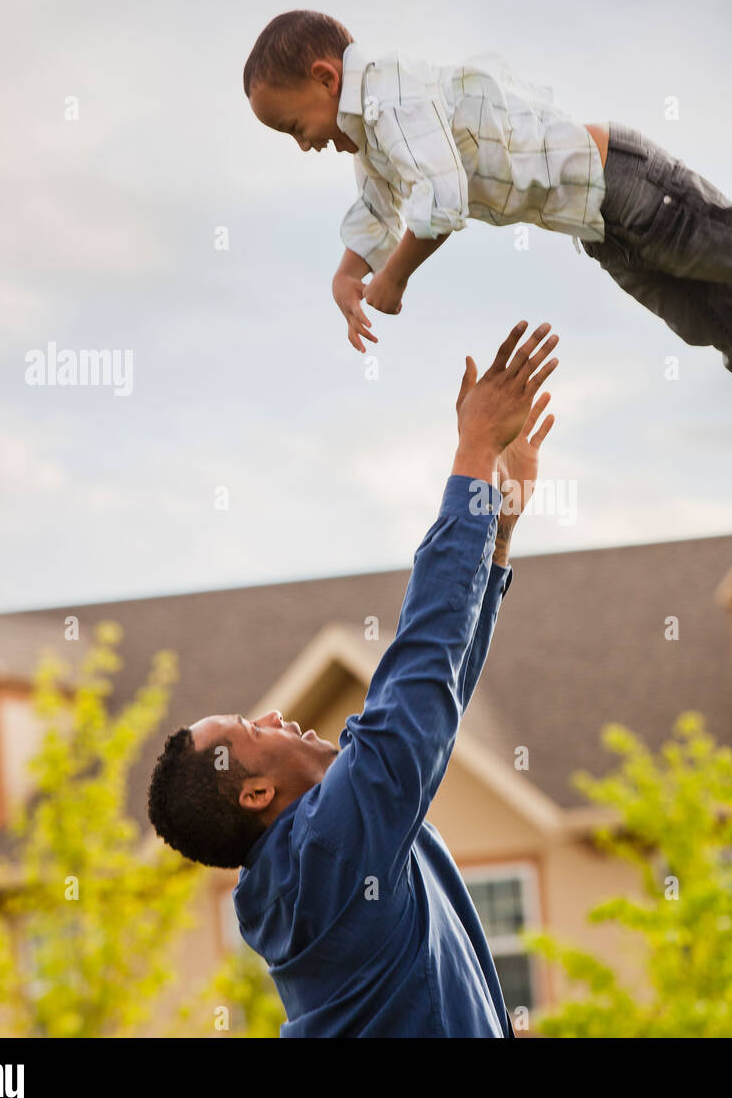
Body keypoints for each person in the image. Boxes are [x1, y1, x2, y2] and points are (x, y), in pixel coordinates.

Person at [242, 9, 732, 506]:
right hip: (598, 221)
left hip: (625, 183)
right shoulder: (369, 136)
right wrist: (349, 271)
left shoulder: (393, 96)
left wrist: (395, 277)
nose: (304, 143)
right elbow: (378, 206)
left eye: (293, 127)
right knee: (704, 316)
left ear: (325, 78)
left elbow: (440, 198)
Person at [147, 320, 559, 1036]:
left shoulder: (312, 866)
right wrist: (470, 456)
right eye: (252, 730)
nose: (274, 717)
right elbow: (417, 678)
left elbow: (436, 702)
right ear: (255, 792)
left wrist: (496, 527)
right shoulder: (329, 856)